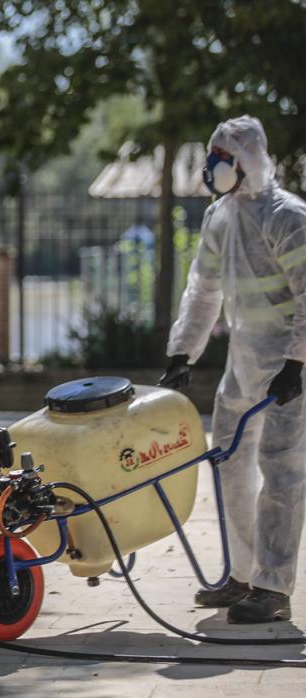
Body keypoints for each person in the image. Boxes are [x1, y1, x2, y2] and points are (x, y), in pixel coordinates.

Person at [160, 115, 306, 624]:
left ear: (246, 161)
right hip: (243, 366)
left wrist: (298, 361)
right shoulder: (220, 217)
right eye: (212, 156)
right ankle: (241, 575)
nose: (213, 166)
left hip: (288, 370)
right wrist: (183, 353)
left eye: (223, 157)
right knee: (228, 462)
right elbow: (203, 291)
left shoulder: (287, 217)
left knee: (281, 469)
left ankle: (273, 586)